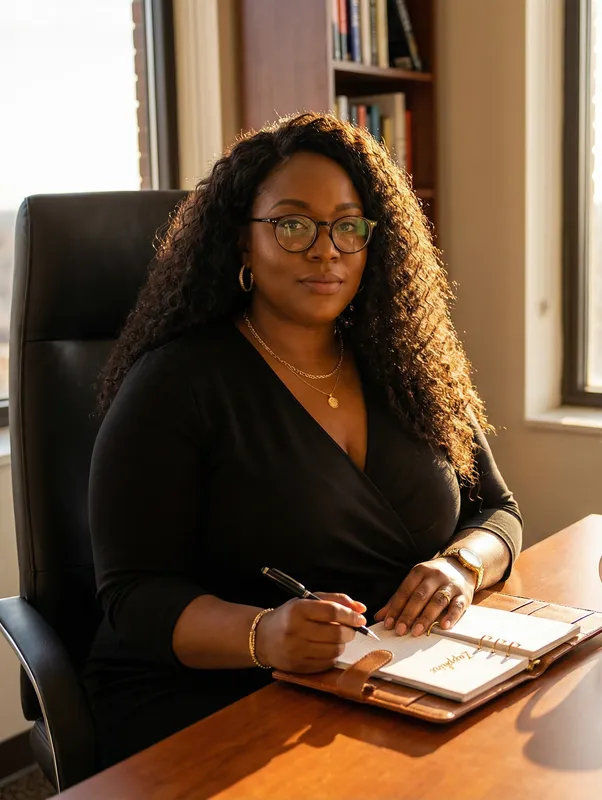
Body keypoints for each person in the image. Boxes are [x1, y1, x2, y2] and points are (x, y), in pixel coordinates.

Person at [83, 112, 523, 767]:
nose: (327, 251)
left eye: (348, 226)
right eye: (293, 225)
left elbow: (499, 512)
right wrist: (264, 633)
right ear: (241, 241)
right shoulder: (177, 380)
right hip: (223, 695)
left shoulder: (408, 366)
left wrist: (460, 565)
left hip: (401, 677)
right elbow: (132, 597)